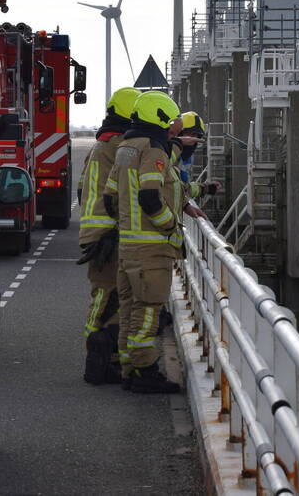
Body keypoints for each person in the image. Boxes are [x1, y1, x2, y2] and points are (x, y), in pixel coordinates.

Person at [104, 90, 193, 394]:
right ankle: (144, 371)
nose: (171, 127)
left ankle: (130, 366)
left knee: (129, 308)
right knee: (148, 309)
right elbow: (150, 196)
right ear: (159, 117)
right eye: (169, 121)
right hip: (151, 247)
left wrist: (127, 226)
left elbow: (110, 195)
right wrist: (170, 227)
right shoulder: (154, 150)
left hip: (128, 245)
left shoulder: (126, 146)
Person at [76, 86, 141, 385]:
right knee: (108, 294)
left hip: (98, 231)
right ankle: (98, 352)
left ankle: (105, 354)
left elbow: (81, 190)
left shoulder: (99, 146)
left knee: (107, 293)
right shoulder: (116, 146)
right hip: (107, 234)